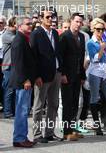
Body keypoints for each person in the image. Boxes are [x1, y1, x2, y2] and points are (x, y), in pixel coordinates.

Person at [30, 9, 62, 143]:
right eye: (48, 17)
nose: (51, 19)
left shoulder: (54, 32)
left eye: (52, 16)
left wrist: (61, 71)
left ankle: (49, 132)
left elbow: (57, 53)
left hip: (55, 73)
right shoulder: (36, 34)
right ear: (41, 19)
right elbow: (33, 57)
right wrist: (36, 76)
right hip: (42, 76)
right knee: (38, 106)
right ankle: (37, 134)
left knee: (53, 104)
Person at [10, 17, 36, 148]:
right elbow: (18, 63)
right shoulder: (19, 41)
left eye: (31, 23)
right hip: (22, 82)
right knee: (22, 110)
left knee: (24, 110)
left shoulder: (24, 39)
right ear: (20, 26)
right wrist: (25, 79)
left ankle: (21, 137)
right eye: (27, 24)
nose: (30, 26)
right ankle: (19, 138)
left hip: (26, 81)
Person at [60, 13, 86, 141]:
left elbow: (81, 58)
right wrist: (63, 74)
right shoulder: (64, 36)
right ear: (71, 21)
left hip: (77, 75)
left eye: (81, 22)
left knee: (75, 103)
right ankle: (66, 132)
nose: (79, 24)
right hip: (67, 76)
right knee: (67, 104)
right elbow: (60, 57)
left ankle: (72, 129)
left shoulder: (81, 36)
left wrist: (82, 75)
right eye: (76, 21)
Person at [2, 17, 16, 119]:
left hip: (14, 66)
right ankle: (7, 112)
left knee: (14, 90)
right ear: (14, 24)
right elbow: (17, 40)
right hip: (7, 67)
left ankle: (13, 111)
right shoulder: (7, 35)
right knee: (9, 90)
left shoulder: (14, 34)